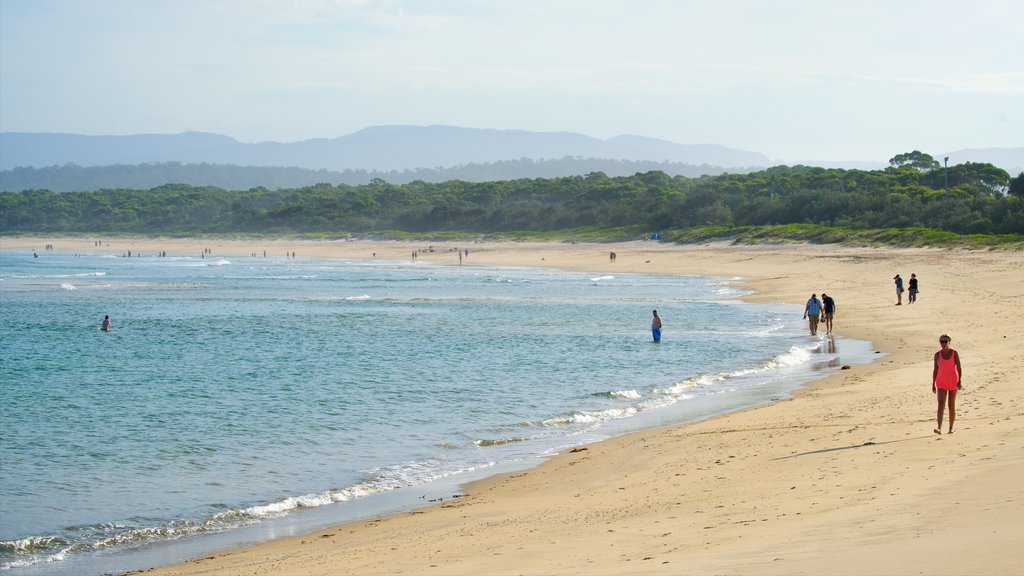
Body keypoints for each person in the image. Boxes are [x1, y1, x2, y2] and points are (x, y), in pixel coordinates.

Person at [932, 334, 962, 434]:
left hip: (953, 381)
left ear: (949, 342)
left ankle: (951, 428)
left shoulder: (954, 353)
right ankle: (939, 427)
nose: (943, 343)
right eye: (941, 341)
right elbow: (935, 370)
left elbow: (959, 367)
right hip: (941, 382)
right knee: (941, 404)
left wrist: (959, 381)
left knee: (951, 405)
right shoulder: (937, 355)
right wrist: (933, 384)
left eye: (945, 341)